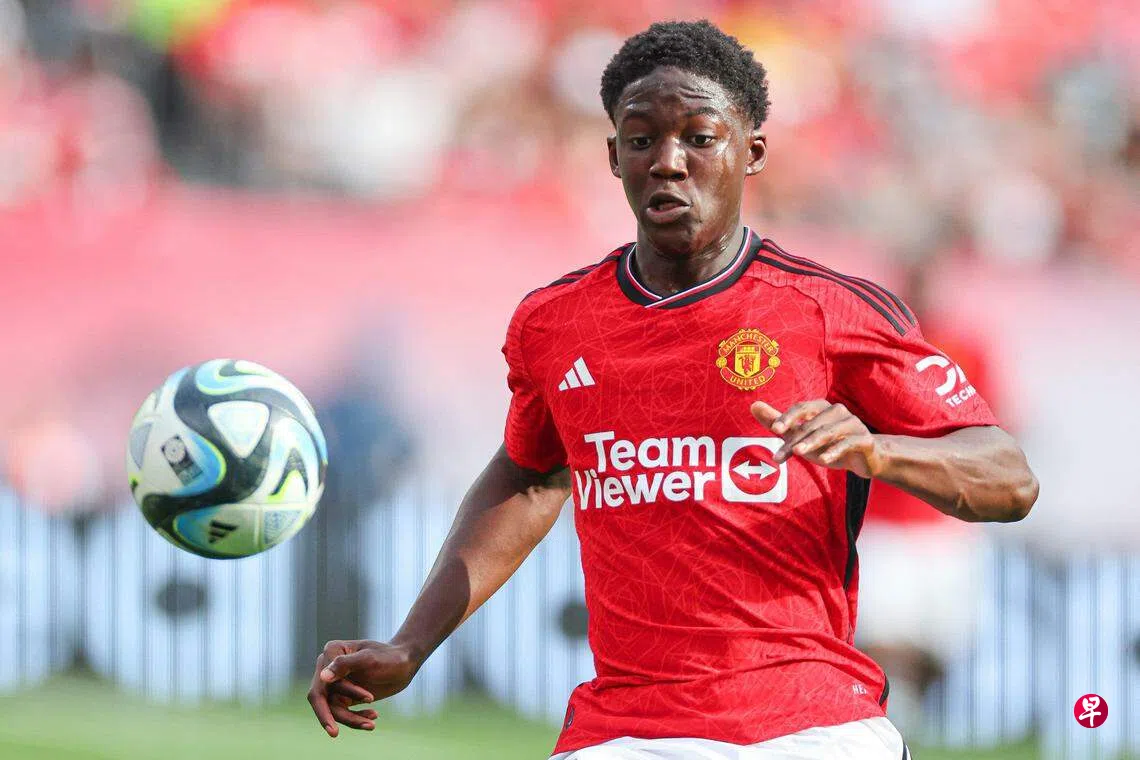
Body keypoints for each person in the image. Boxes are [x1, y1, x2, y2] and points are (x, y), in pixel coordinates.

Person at [306, 20, 1039, 759]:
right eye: (641, 139)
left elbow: (1009, 480)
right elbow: (529, 479)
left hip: (808, 726)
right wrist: (410, 643)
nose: (667, 161)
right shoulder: (555, 322)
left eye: (699, 137)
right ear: (612, 156)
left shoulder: (829, 311)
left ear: (752, 152)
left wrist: (880, 452)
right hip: (624, 731)